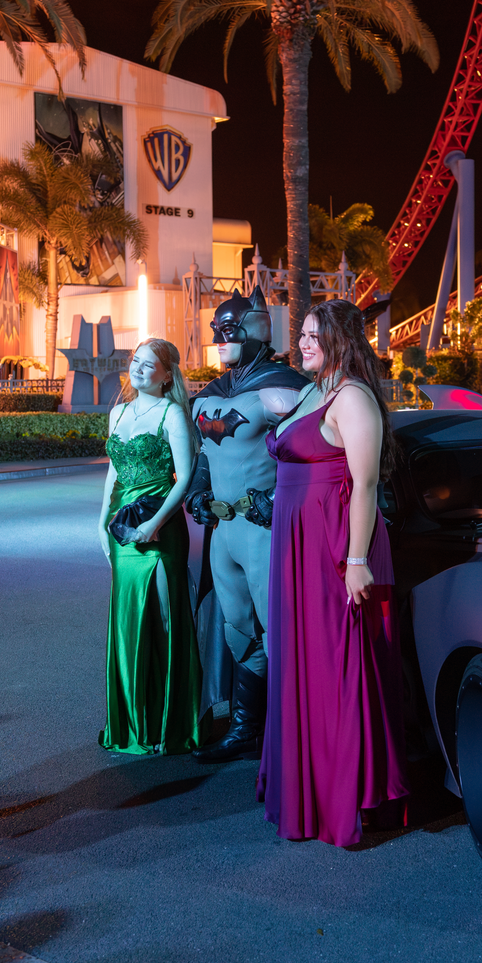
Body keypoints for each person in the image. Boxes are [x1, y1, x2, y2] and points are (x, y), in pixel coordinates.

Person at [259, 298, 409, 846]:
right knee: (301, 664)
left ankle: (340, 799)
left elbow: (365, 486)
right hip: (294, 547)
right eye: (300, 334)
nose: (302, 343)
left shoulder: (353, 399)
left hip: (332, 548)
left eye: (313, 336)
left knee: (334, 668)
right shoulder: (309, 393)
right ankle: (305, 790)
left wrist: (356, 561)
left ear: (341, 339)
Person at [185, 289, 308, 762]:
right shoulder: (212, 394)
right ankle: (246, 730)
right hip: (225, 532)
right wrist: (197, 492)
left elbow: (313, 455)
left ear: (255, 329)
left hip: (265, 529)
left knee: (280, 631)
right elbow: (203, 457)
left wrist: (279, 498)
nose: (219, 337)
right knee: (239, 628)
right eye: (216, 328)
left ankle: (290, 733)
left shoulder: (285, 388)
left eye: (229, 328)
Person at [97, 338, 203, 755]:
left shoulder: (172, 413)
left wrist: (157, 524)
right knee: (127, 623)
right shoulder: (118, 412)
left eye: (149, 364)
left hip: (162, 530)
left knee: (164, 620)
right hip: (124, 530)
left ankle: (169, 724)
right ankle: (133, 723)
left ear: (167, 373)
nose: (140, 369)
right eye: (136, 362)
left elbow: (185, 476)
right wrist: (100, 522)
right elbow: (113, 472)